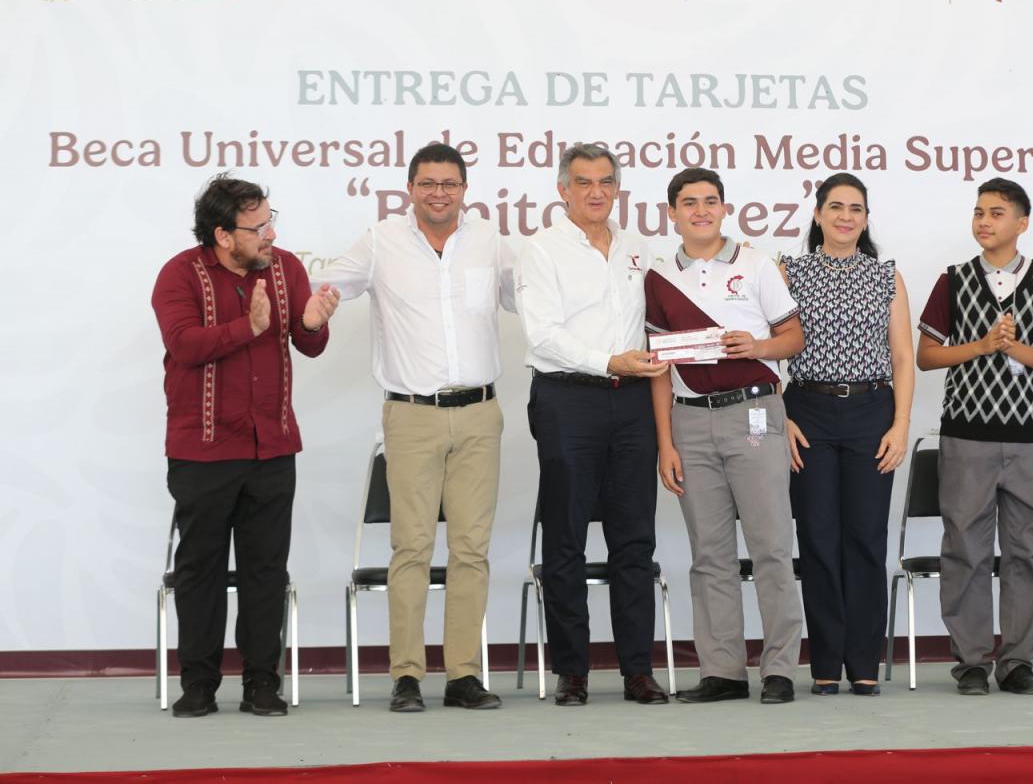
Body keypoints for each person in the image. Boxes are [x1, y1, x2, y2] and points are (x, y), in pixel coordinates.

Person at [315, 143, 511, 713]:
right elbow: (327, 285)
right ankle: (406, 674)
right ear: (410, 188)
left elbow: (533, 299)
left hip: (479, 414)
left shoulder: (490, 241)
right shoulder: (381, 241)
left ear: (464, 190)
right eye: (428, 183)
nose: (438, 193)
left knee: (471, 549)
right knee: (412, 548)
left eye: (449, 183)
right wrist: (314, 306)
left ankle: (463, 675)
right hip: (411, 416)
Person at [151, 174, 339, 717]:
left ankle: (262, 682)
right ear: (223, 235)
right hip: (203, 450)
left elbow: (308, 344)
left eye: (271, 221)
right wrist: (247, 326)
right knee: (201, 570)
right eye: (258, 227)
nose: (270, 234)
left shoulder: (287, 269)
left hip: (272, 448)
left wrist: (313, 324)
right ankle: (199, 685)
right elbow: (184, 345)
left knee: (266, 571)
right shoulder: (179, 274)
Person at [515, 143, 670, 706]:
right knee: (567, 538)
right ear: (563, 190)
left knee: (635, 538)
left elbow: (658, 326)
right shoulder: (541, 250)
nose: (596, 192)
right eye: (583, 182)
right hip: (567, 400)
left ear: (617, 188)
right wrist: (609, 361)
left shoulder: (638, 248)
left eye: (606, 181)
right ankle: (572, 671)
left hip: (632, 402)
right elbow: (542, 334)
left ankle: (637, 671)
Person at [647, 167, 806, 705]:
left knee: (771, 547)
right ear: (672, 213)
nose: (701, 210)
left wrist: (757, 347)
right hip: (690, 421)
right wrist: (666, 443)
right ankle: (723, 671)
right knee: (709, 554)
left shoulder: (755, 264)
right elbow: (659, 368)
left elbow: (793, 337)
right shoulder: (658, 276)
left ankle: (779, 668)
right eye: (689, 202)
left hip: (754, 413)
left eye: (710, 201)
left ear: (724, 208)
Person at [917, 177, 1033, 696]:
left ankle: (1018, 661)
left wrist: (1012, 348)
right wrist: (983, 345)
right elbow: (927, 356)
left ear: (1022, 223)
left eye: (997, 213)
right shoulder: (953, 281)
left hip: (1032, 439)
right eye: (979, 212)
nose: (984, 221)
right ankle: (971, 662)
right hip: (967, 436)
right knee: (965, 548)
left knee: (1029, 551)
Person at [781, 173, 914, 697]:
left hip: (871, 413)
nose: (845, 216)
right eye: (835, 207)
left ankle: (863, 662)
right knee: (817, 538)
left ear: (865, 218)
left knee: (865, 537)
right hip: (806, 412)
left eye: (855, 208)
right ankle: (825, 663)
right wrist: (781, 418)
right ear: (817, 215)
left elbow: (902, 357)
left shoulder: (886, 276)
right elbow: (769, 349)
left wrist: (900, 425)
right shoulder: (789, 272)